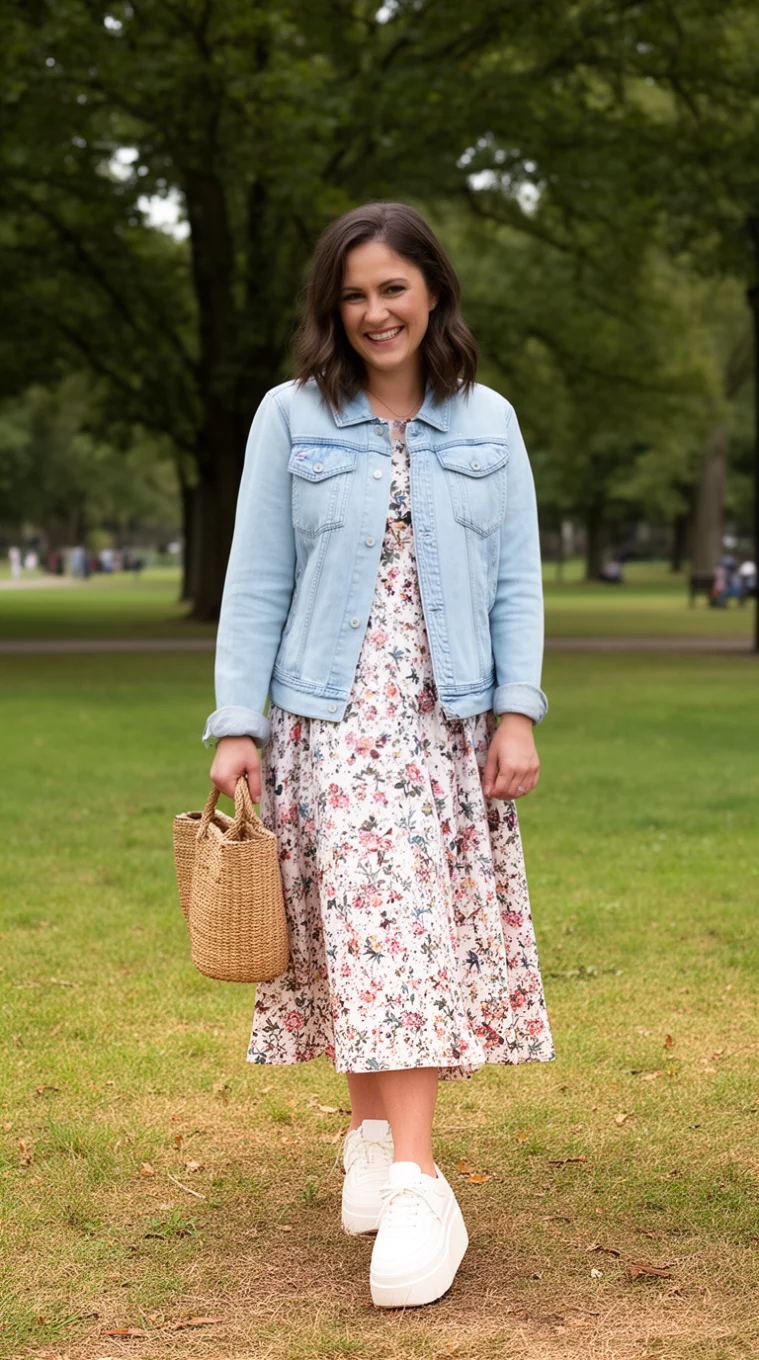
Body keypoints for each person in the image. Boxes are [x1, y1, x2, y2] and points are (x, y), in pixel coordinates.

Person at [202, 202, 555, 1309]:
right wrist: (237, 723)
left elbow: (517, 583)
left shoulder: (489, 420)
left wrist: (517, 711)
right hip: (329, 722)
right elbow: (256, 578)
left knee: (399, 928)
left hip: (445, 724)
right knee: (361, 928)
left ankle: (402, 1166)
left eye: (393, 289)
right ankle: (400, 1162)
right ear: (333, 307)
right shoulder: (289, 416)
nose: (374, 312)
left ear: (434, 292)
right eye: (354, 294)